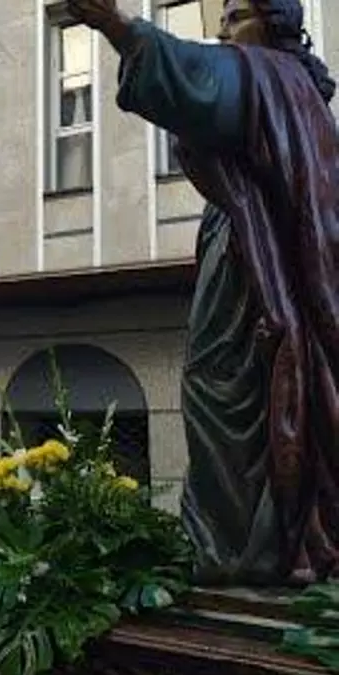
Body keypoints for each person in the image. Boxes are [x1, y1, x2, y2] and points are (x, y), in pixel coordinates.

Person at [68, 0, 339, 584]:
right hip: (255, 262)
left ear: (275, 22)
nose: (222, 29)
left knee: (228, 391)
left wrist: (119, 26)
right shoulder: (290, 93)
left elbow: (201, 80)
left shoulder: (271, 77)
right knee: (218, 388)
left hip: (257, 282)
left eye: (236, 15)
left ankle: (252, 552)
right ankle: (244, 547)